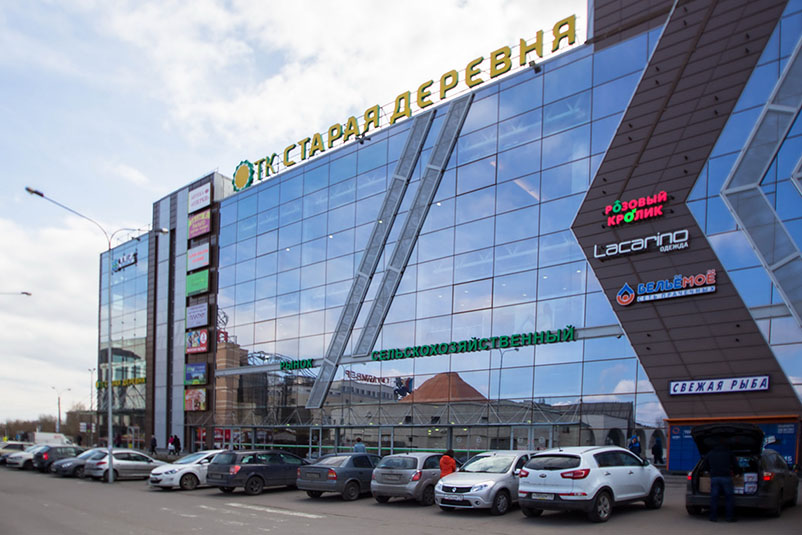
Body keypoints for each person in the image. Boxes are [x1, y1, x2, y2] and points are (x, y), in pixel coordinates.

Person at [701, 442, 739, 522]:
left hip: (715, 478)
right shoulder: (729, 453)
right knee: (729, 498)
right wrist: (736, 473)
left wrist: (710, 471)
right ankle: (729, 517)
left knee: (714, 498)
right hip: (726, 477)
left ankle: (713, 517)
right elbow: (735, 465)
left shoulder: (710, 453)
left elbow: (704, 466)